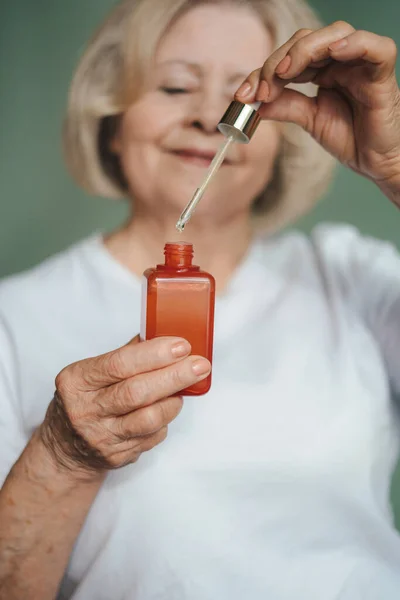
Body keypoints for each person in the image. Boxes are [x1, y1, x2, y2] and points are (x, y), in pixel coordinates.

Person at [1, 0, 400, 598]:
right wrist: (63, 454)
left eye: (244, 99)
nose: (210, 118)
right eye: (174, 86)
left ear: (283, 141)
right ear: (110, 116)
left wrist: (396, 168)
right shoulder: (16, 317)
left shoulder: (352, 274)